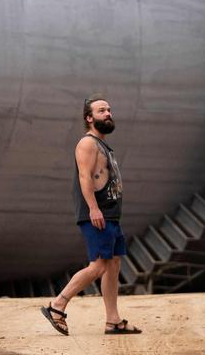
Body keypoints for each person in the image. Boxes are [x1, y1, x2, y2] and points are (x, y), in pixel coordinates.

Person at [40, 95, 142, 336]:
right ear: (89, 118)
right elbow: (85, 178)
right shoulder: (87, 143)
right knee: (98, 266)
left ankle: (113, 321)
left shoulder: (103, 145)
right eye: (101, 111)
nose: (107, 114)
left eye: (109, 110)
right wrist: (94, 209)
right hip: (98, 214)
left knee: (113, 264)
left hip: (110, 215)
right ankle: (57, 306)